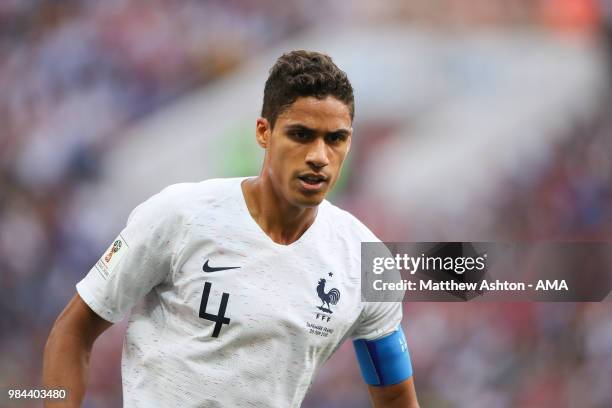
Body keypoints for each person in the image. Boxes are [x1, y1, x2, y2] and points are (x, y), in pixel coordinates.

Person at [43, 50, 419, 407]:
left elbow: (396, 397)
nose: (319, 157)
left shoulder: (364, 258)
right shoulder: (179, 215)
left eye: (335, 139)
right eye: (301, 135)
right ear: (263, 133)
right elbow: (73, 332)